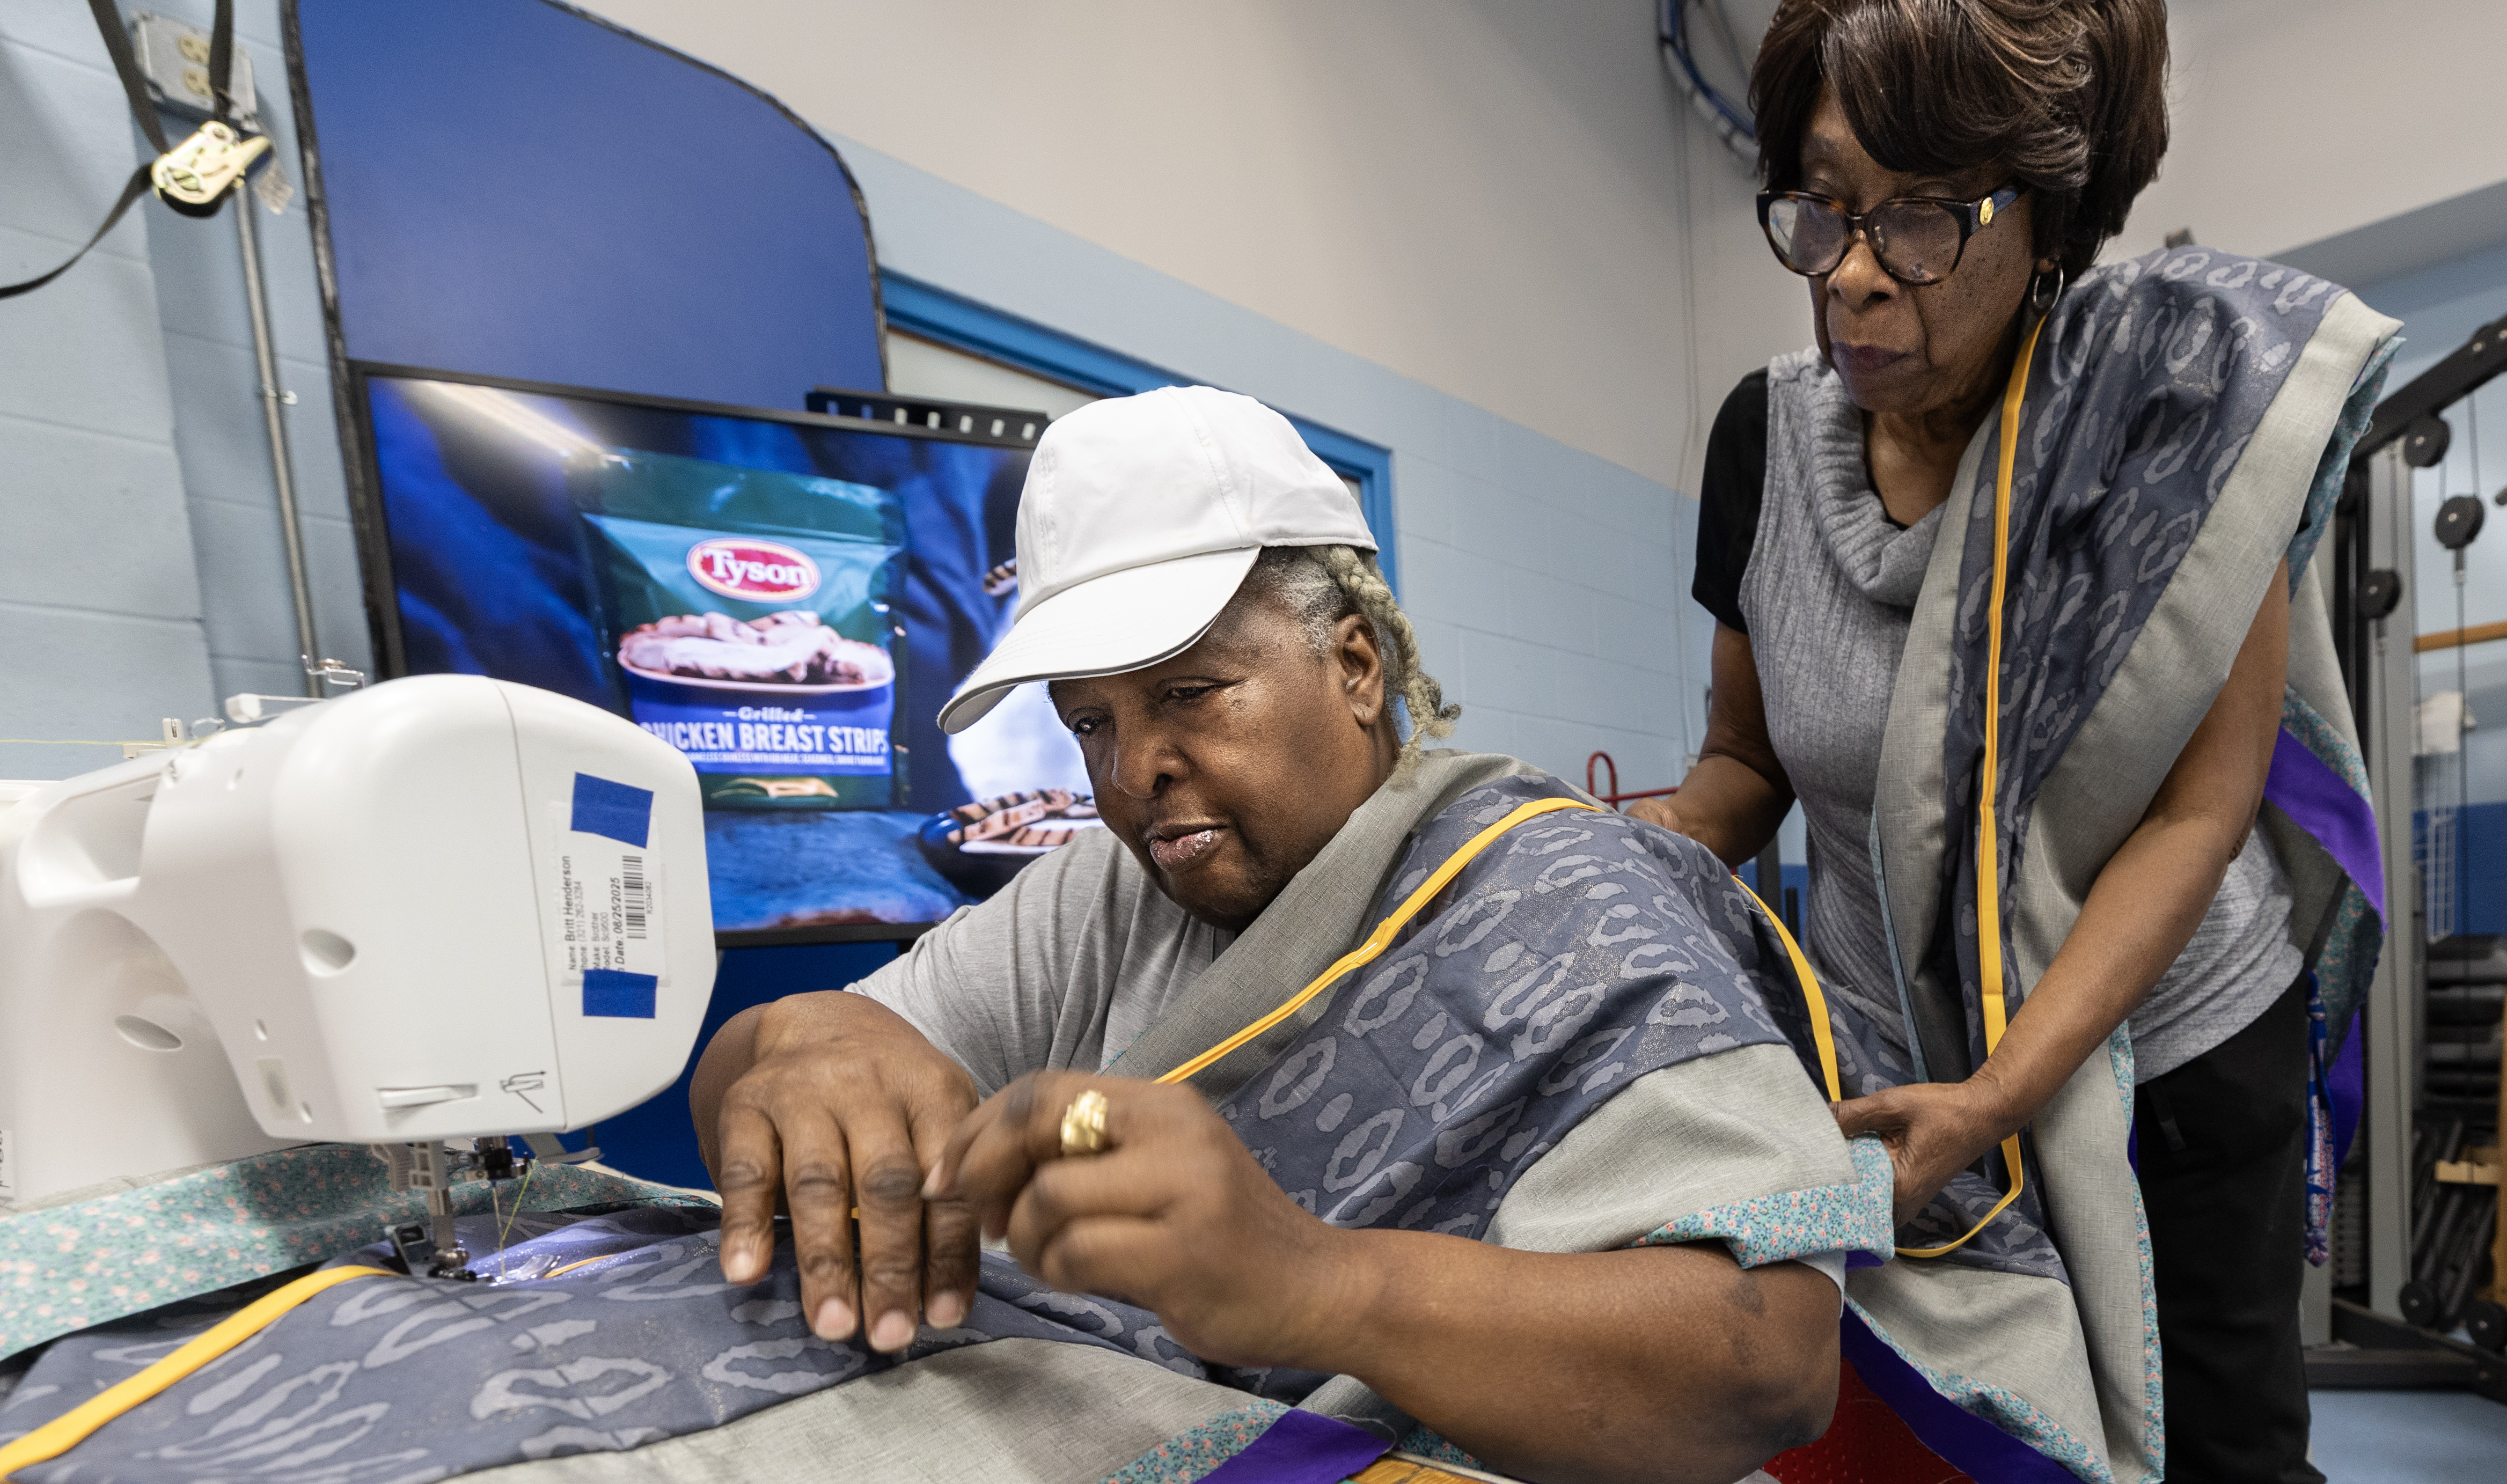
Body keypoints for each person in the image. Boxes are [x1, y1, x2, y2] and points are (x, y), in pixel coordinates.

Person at [687, 385, 1894, 1484]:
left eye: (1187, 693)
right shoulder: (1103, 892)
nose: (1132, 773)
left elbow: (1768, 1366)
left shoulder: (1566, 898)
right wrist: (807, 1038)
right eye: (1090, 724)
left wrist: (1316, 1284)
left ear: (1355, 665)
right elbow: (759, 1085)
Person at [1634, 4, 2398, 1482]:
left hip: (2168, 1045)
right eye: (1824, 204)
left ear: (2048, 220)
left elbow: (2197, 810)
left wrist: (2000, 1095)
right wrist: (1635, 847)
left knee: (2216, 1448)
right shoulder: (1761, 445)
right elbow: (1745, 761)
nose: (1853, 271)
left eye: (1923, 216)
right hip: (1891, 1060)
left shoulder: (2167, 434)